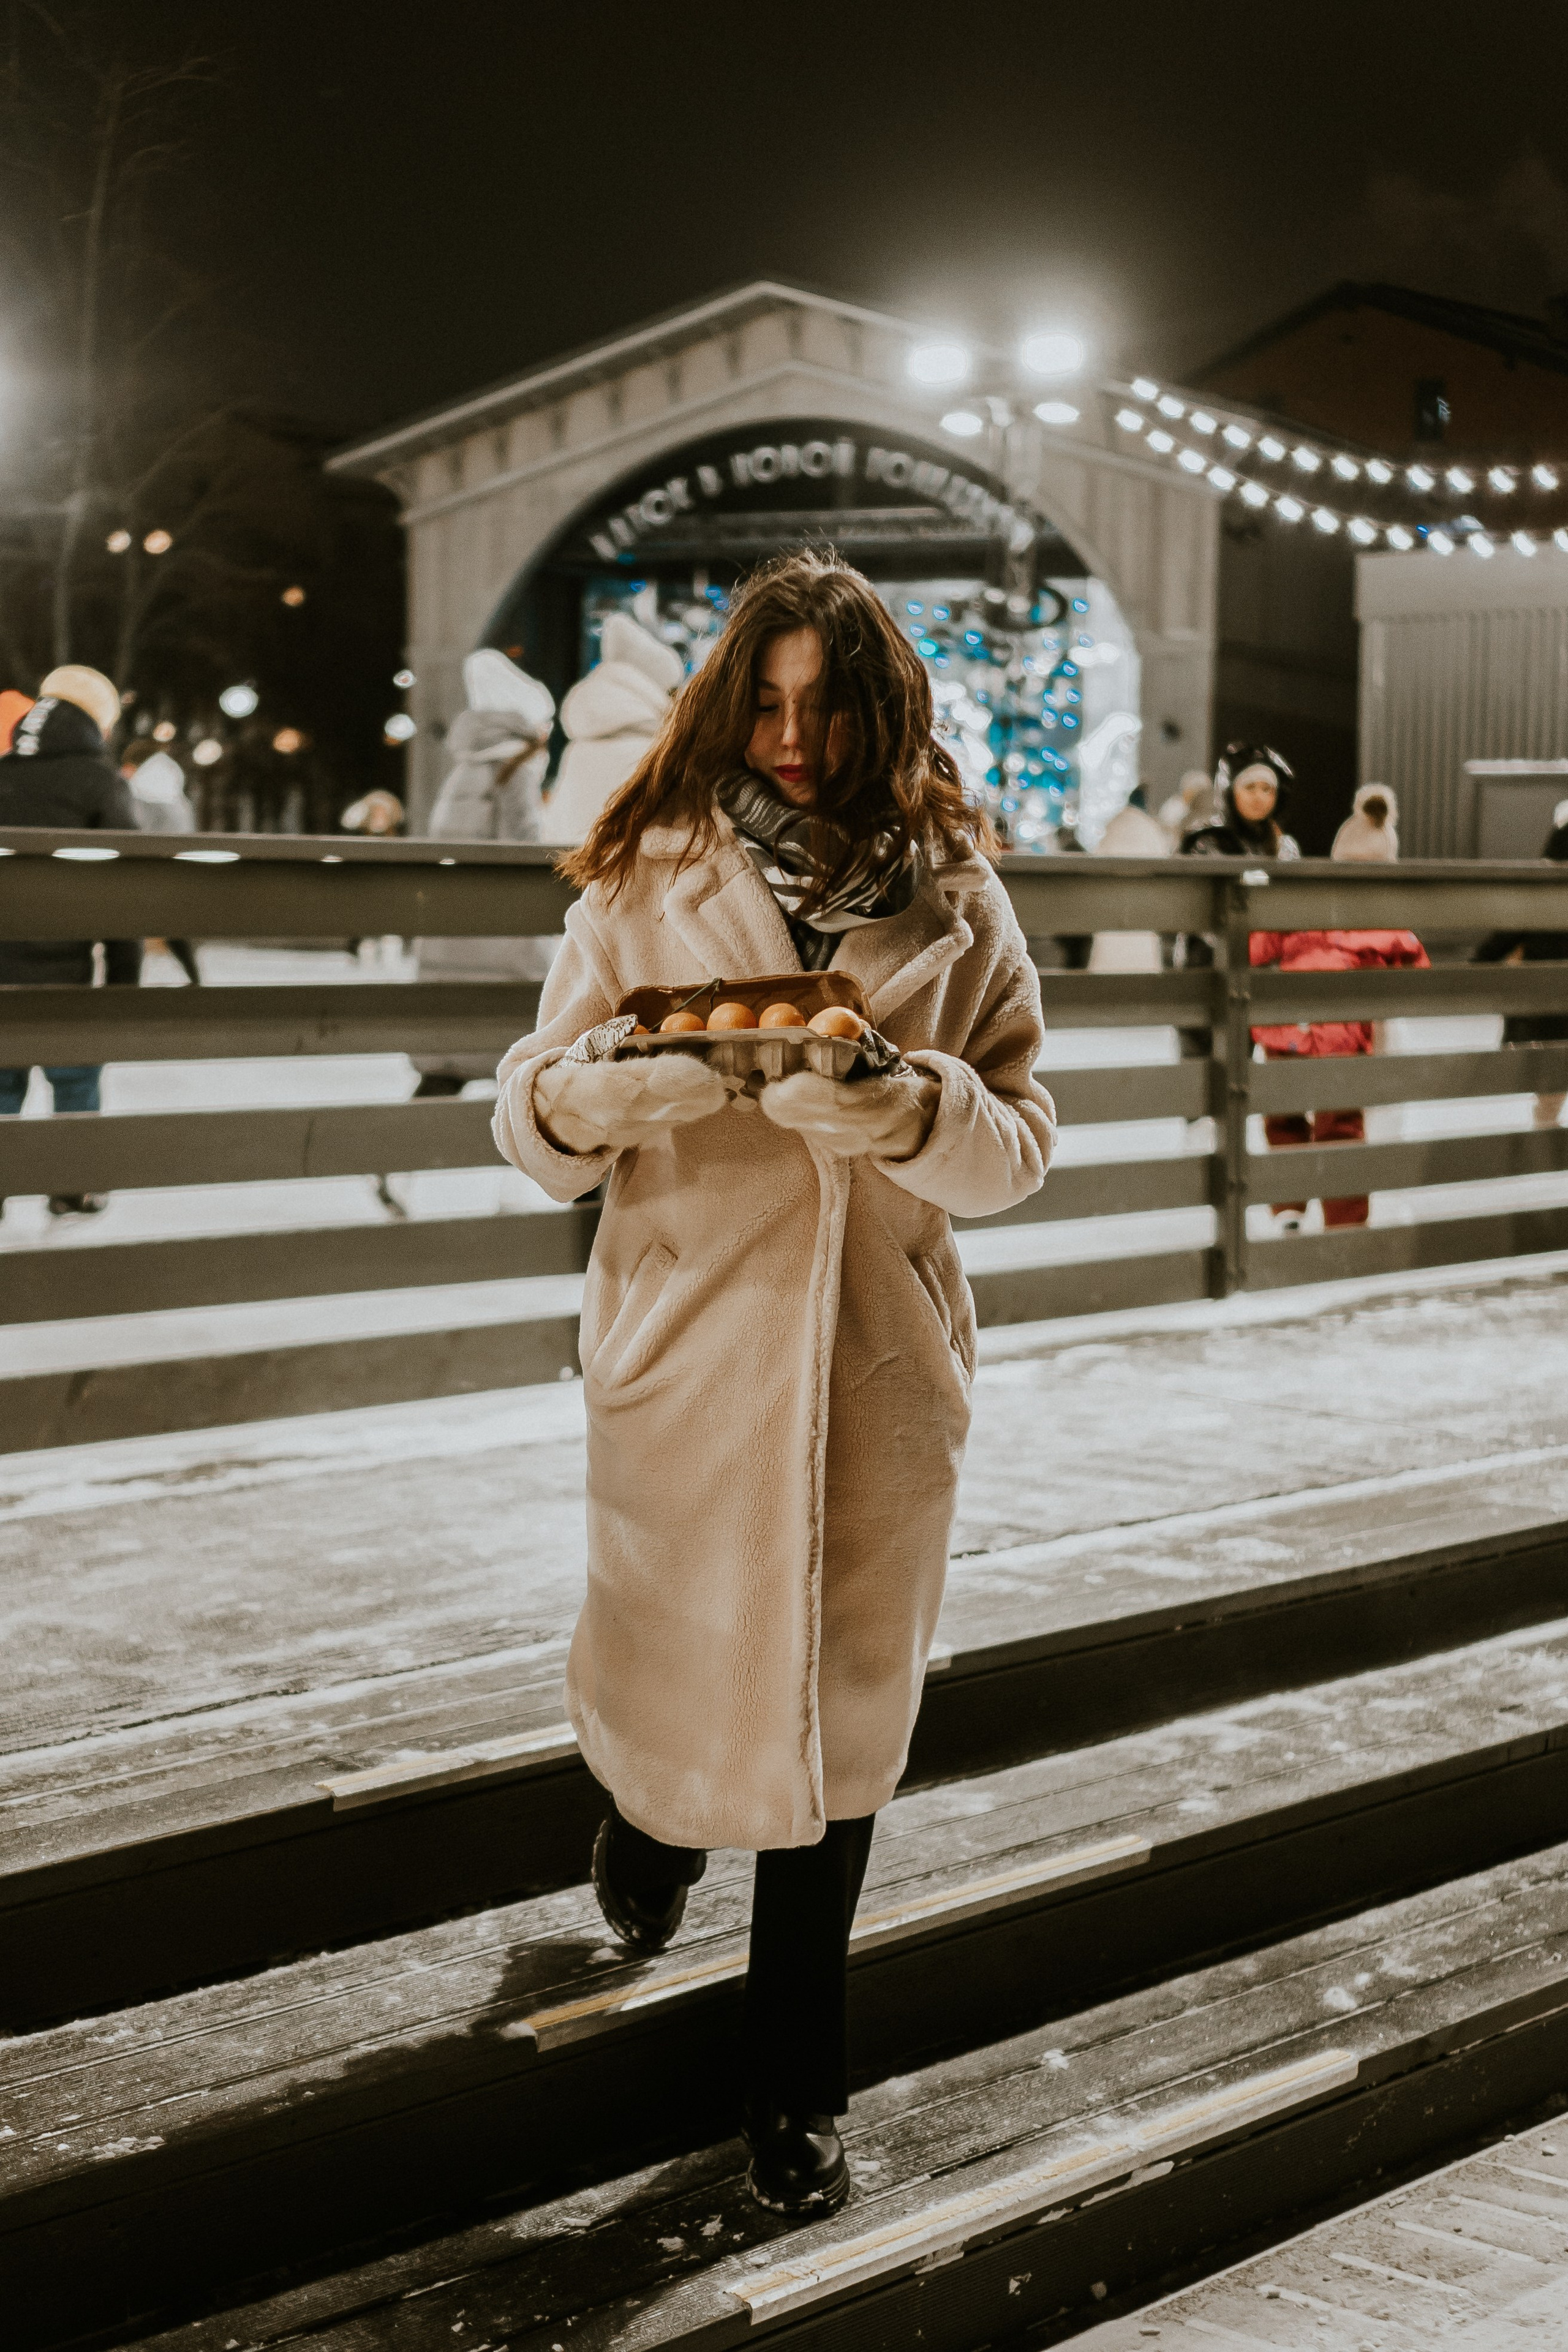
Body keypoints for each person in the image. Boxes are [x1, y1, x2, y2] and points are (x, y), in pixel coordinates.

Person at [491, 551, 1054, 2217]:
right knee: (680, 1668)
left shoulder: (957, 894)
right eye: (768, 698)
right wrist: (614, 1092)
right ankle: (654, 1830)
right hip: (690, 1360)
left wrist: (904, 1108)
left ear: (882, 710)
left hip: (879, 1369)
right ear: (728, 699)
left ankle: (795, 2085)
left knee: (839, 1748)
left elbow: (1019, 1145)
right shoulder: (642, 877)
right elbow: (527, 1115)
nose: (794, 737)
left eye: (829, 704)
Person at [1250, 782, 1426, 1231]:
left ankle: (1287, 1207)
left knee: (1283, 1118)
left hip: (1286, 1031)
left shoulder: (1300, 907)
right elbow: (1418, 966)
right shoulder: (1384, 923)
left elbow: (1257, 946)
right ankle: (1346, 1223)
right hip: (1340, 1039)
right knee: (1341, 1128)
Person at [0, 665, 140, 1216]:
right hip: (65, 972)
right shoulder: (98, 782)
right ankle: (72, 1186)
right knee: (76, 1078)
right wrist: (124, 976)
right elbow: (127, 882)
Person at [411, 651, 557, 1098]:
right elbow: (526, 842)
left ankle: (403, 1141)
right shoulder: (513, 769)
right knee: (528, 1032)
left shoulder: (465, 768)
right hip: (500, 928)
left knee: (448, 1043)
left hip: (453, 923)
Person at [539, 611, 683, 846]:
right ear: (656, 691)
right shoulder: (654, 757)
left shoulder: (578, 748)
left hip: (566, 878)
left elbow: (553, 833)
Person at [1474, 799, 1568, 1133]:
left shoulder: (1540, 892)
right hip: (1553, 1006)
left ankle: (1545, 1132)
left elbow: (1502, 939)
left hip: (1548, 1004)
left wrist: (1479, 963)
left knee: (1553, 1080)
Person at [120, 743, 201, 984]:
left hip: (144, 876)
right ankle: (195, 979)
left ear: (135, 766)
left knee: (126, 930)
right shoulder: (174, 790)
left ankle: (124, 987)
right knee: (176, 931)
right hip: (176, 877)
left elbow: (131, 832)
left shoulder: (141, 793)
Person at [1088, 785, 1169, 974]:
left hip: (1111, 905)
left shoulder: (1113, 825)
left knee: (1109, 956)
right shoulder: (1151, 828)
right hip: (1143, 904)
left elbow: (1096, 862)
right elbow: (1163, 862)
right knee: (1141, 955)